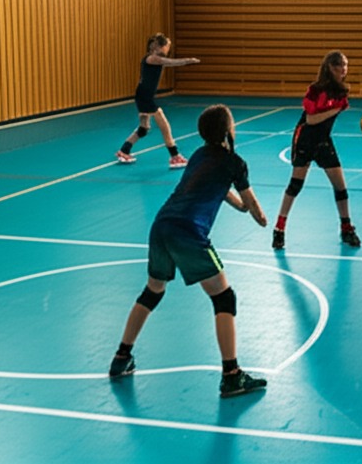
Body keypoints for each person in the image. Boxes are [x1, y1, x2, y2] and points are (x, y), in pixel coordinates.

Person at [108, 104, 269, 398]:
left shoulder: (198, 155)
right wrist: (258, 214)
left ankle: (121, 358)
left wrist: (239, 204)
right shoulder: (235, 162)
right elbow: (256, 211)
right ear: (227, 131)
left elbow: (220, 191)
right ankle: (232, 376)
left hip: (162, 225)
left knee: (153, 291)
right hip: (189, 233)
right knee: (224, 297)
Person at [271, 51, 361, 250]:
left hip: (323, 141)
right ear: (331, 67)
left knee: (341, 188)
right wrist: (336, 110)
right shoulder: (315, 90)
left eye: (346, 66)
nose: (344, 70)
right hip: (305, 140)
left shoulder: (342, 91)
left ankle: (346, 228)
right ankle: (279, 229)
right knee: (295, 185)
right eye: (340, 66)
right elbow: (311, 119)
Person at [116, 33, 201, 168]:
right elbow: (171, 62)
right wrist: (188, 60)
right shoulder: (152, 58)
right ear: (159, 47)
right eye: (167, 47)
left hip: (143, 95)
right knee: (165, 126)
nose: (168, 50)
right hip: (145, 96)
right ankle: (175, 156)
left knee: (144, 128)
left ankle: (124, 151)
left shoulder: (155, 59)